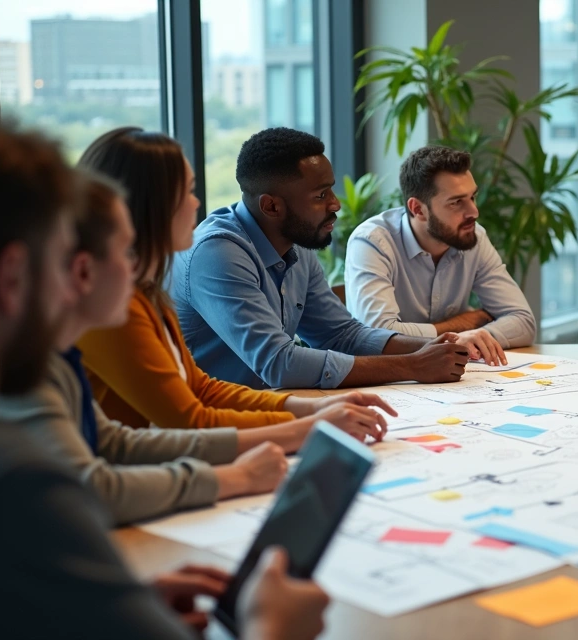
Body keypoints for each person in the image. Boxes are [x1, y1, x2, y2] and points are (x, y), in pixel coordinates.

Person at [0, 110, 328, 640]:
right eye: (67, 256)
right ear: (13, 275)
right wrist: (272, 625)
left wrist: (105, 604)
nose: (80, 277)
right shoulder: (14, 477)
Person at [0, 173, 393, 526]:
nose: (198, 203)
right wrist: (277, 448)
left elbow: (116, 441)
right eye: (123, 250)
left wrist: (307, 414)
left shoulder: (76, 343)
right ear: (82, 270)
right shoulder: (29, 363)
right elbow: (104, 480)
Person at [75, 127, 393, 431]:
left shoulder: (143, 292)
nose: (196, 203)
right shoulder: (115, 306)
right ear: (149, 209)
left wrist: (314, 411)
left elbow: (202, 389)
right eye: (186, 192)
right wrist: (308, 424)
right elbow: (191, 420)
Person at [169, 127, 474, 390]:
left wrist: (437, 347)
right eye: (320, 195)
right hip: (205, 426)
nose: (335, 204)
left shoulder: (296, 244)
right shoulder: (216, 254)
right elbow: (277, 362)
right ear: (272, 207)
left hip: (267, 407)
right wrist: (411, 366)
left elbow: (341, 334)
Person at [345, 145, 536, 366]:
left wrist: (469, 339)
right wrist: (458, 330)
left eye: (472, 197)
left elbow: (523, 321)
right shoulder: (372, 242)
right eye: (456, 202)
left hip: (452, 381)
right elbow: (378, 336)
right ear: (418, 209)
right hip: (390, 382)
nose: (474, 212)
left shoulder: (474, 237)